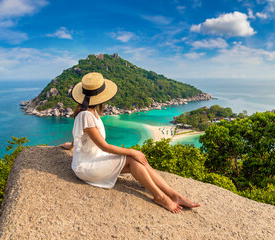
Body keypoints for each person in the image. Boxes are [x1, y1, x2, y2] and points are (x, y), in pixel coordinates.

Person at [60, 72, 200, 213]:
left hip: (96, 160)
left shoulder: (87, 111)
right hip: (87, 166)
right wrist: (133, 151)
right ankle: (160, 197)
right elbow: (104, 146)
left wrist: (71, 146)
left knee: (139, 162)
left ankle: (175, 195)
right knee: (134, 159)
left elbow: (79, 134)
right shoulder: (86, 115)